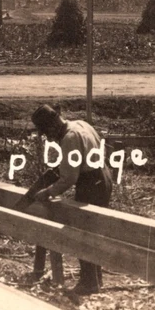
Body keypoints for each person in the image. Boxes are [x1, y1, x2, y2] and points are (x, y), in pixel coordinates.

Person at [30, 104, 113, 295]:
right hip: (103, 176)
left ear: (52, 126)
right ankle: (96, 278)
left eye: (48, 133)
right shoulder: (81, 124)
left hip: (91, 184)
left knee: (82, 232)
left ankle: (89, 283)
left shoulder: (69, 138)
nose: (49, 138)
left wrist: (47, 192)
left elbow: (69, 178)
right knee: (93, 230)